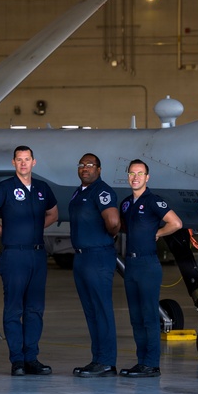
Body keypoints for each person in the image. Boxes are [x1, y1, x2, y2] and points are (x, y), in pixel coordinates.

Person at [0, 145, 58, 376]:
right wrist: (5, 231)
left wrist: (35, 228)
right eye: (19, 159)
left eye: (27, 159)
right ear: (13, 163)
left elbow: (53, 213)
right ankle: (17, 361)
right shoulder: (5, 187)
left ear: (34, 162)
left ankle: (31, 358)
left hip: (37, 254)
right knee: (14, 309)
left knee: (35, 309)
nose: (23, 163)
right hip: (14, 255)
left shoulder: (42, 188)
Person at [118, 159, 183, 378]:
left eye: (140, 173)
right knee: (136, 317)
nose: (135, 177)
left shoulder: (154, 201)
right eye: (132, 173)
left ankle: (152, 364)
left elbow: (176, 223)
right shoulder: (126, 204)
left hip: (147, 264)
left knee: (148, 316)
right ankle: (142, 362)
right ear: (128, 176)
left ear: (147, 177)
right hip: (131, 264)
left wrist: (158, 233)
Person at [68, 153, 121, 377]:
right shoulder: (80, 191)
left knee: (101, 309)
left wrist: (105, 238)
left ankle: (107, 361)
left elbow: (113, 221)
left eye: (90, 165)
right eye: (82, 164)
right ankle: (98, 359)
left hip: (97, 256)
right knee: (91, 311)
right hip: (82, 257)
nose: (85, 168)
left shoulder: (102, 191)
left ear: (99, 169)